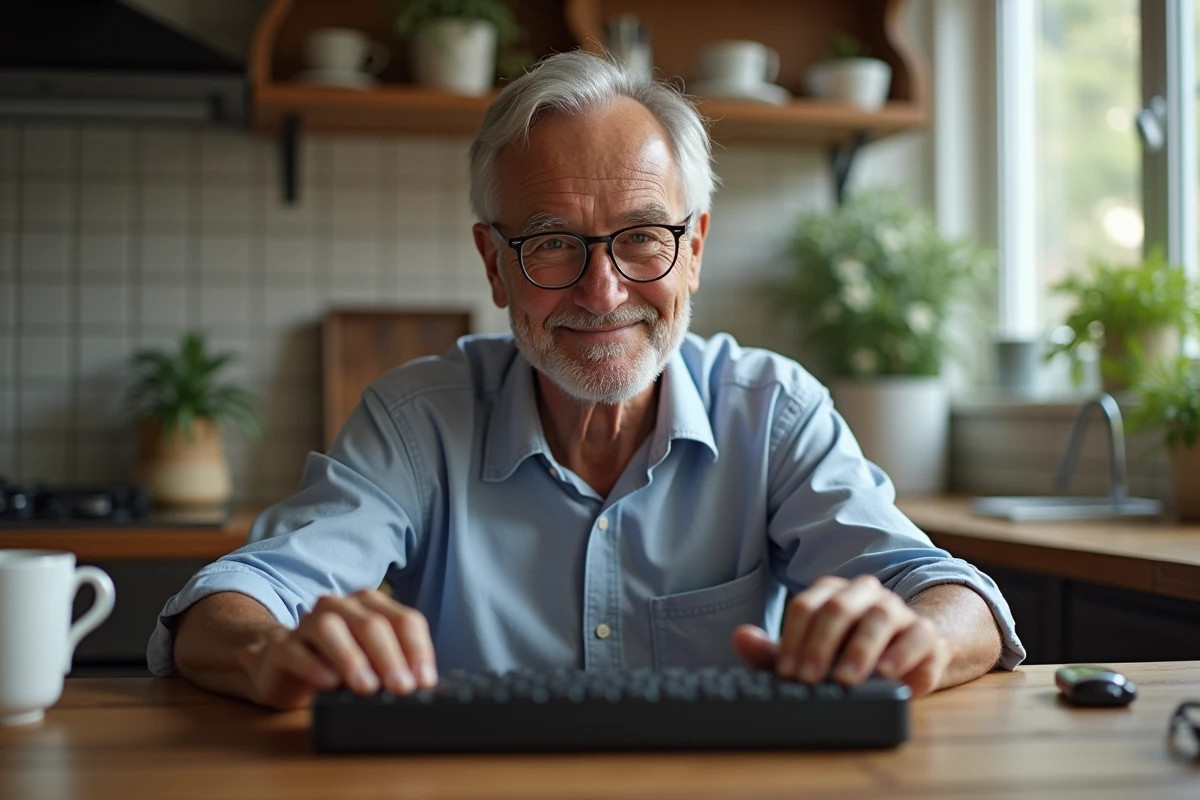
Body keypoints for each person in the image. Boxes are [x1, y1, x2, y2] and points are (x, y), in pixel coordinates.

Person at [148, 51, 1024, 711]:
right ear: (495, 264)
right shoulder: (416, 421)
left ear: (694, 249)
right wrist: (268, 652)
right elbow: (231, 603)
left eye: (643, 237)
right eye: (552, 243)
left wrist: (914, 636)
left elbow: (955, 601)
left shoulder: (774, 411)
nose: (602, 293)